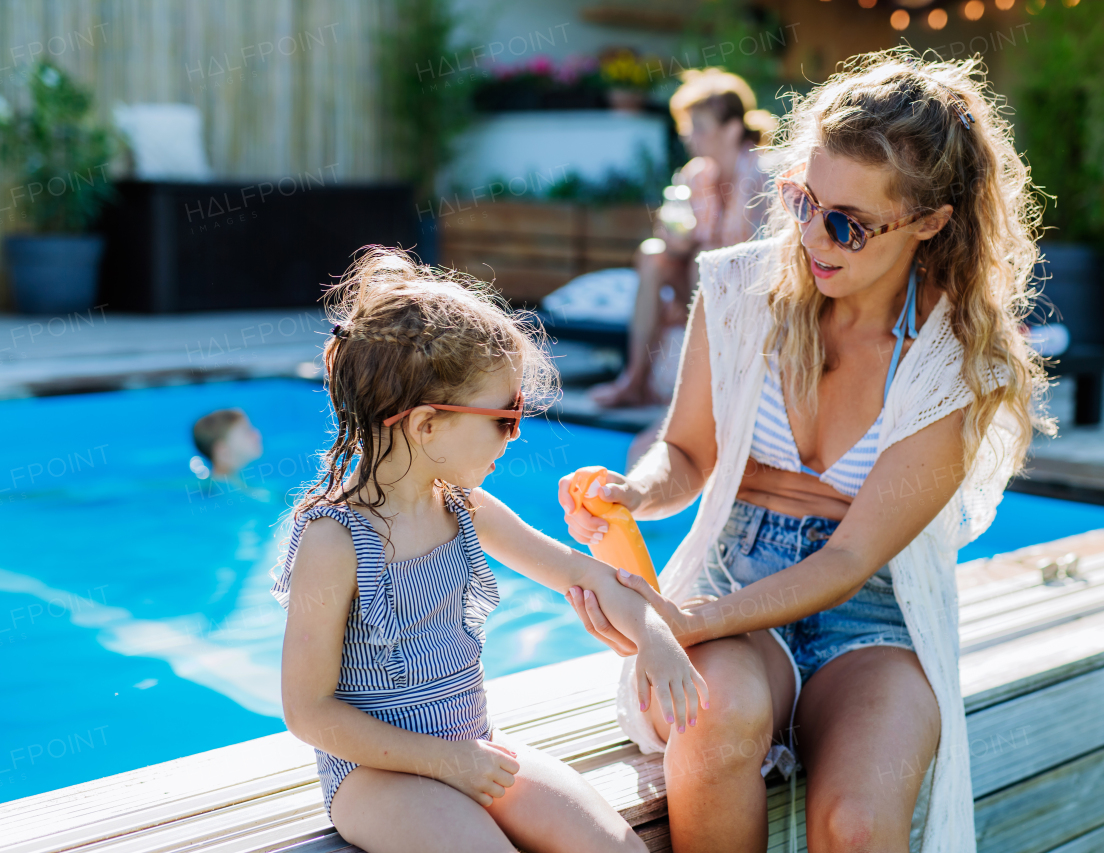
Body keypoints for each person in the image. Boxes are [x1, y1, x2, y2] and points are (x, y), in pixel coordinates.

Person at [558, 48, 1054, 853]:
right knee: (712, 721)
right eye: (801, 199)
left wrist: (689, 621)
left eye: (848, 223)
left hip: (872, 612)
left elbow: (853, 555)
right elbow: (686, 453)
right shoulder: (737, 290)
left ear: (930, 221)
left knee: (855, 827)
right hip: (734, 572)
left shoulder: (956, 359)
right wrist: (635, 489)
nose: (813, 237)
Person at [269, 248, 708, 853]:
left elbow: (585, 574)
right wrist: (447, 762)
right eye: (503, 417)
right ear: (426, 425)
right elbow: (309, 711)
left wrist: (655, 639)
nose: (516, 433)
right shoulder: (335, 540)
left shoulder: (464, 509)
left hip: (475, 746)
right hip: (378, 775)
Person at [588, 67, 774, 411]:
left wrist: (697, 249)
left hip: (752, 284)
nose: (689, 136)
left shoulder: (763, 173)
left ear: (732, 129)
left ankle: (706, 378)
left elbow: (761, 247)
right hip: (700, 279)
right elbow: (678, 238)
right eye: (688, 126)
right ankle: (635, 379)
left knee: (705, 257)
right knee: (652, 255)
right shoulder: (695, 174)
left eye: (699, 127)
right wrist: (673, 239)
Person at [190, 408, 268, 499]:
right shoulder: (230, 493)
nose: (257, 434)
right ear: (224, 452)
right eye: (246, 431)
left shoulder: (232, 487)